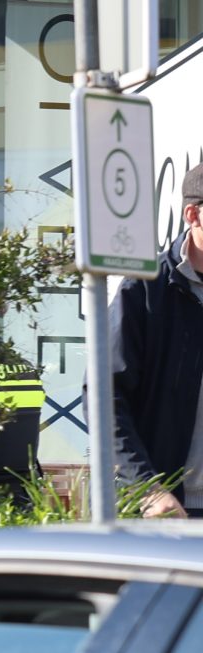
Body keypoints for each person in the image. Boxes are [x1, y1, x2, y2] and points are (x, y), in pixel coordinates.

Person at [112, 163, 203, 517]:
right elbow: (106, 397)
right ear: (193, 215)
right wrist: (146, 487)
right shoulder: (146, 289)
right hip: (167, 510)